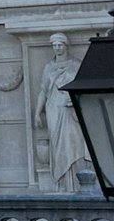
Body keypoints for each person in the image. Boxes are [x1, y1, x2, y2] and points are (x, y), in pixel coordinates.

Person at [37, 33, 92, 191]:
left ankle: (77, 181)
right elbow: (43, 91)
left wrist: (76, 100)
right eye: (54, 45)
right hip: (54, 107)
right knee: (57, 145)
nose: (57, 48)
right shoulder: (48, 67)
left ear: (66, 46)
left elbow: (85, 88)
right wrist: (37, 113)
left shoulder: (76, 64)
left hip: (71, 108)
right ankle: (61, 182)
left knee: (75, 142)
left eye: (60, 45)